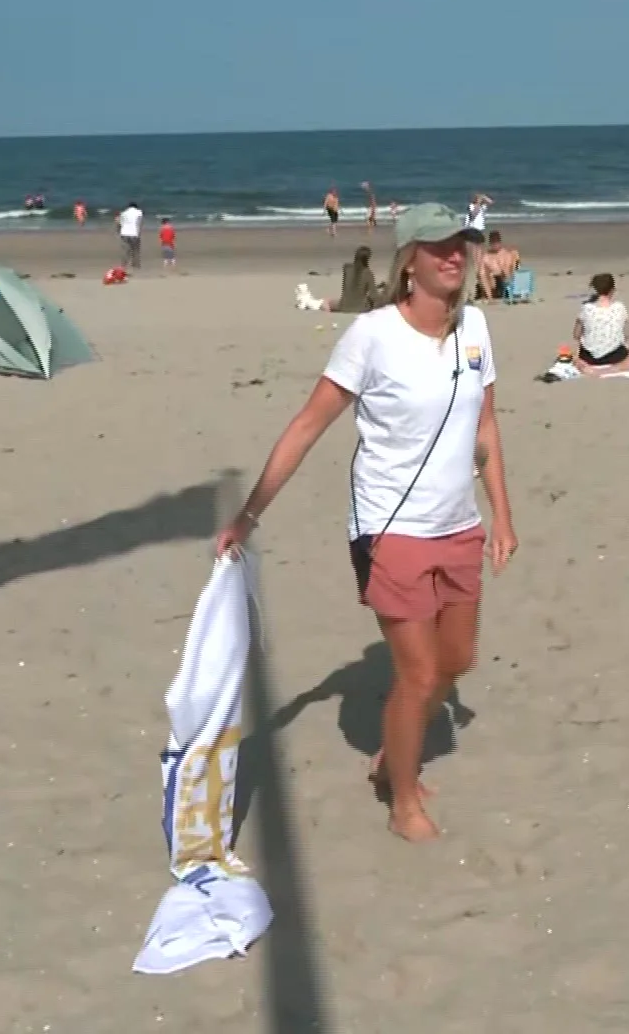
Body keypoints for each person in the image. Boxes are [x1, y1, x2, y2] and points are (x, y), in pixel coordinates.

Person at [215, 203, 516, 843]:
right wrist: (248, 515)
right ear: (409, 261)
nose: (454, 256)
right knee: (419, 674)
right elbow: (306, 426)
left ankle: (394, 750)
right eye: (438, 247)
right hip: (390, 526)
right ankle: (401, 798)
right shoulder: (372, 335)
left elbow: (485, 424)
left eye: (461, 244)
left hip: (458, 524)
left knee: (456, 660)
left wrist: (503, 515)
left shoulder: (477, 330)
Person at [571, 273, 629, 375]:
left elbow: (576, 335)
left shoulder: (586, 308)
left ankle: (582, 365)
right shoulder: (619, 307)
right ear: (612, 289)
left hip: (589, 357)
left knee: (574, 356)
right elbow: (627, 334)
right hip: (615, 356)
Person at [330, 246, 383, 314]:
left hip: (343, 306)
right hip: (360, 308)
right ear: (367, 259)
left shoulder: (347, 268)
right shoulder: (368, 273)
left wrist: (377, 286)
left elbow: (351, 287)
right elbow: (374, 296)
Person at [476, 231, 520, 301]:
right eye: (493, 242)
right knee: (482, 273)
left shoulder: (506, 254)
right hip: (494, 283)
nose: (495, 244)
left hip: (505, 282)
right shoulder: (486, 256)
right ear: (490, 243)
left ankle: (490, 296)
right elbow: (481, 273)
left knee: (491, 274)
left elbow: (508, 271)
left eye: (496, 242)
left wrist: (497, 271)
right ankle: (489, 296)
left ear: (500, 242)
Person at [117, 202, 143, 269]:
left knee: (125, 251)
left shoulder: (123, 213)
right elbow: (139, 223)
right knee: (135, 250)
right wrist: (139, 233)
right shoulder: (139, 212)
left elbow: (119, 223)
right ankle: (136, 265)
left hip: (124, 233)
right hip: (134, 233)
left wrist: (119, 232)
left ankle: (123, 265)